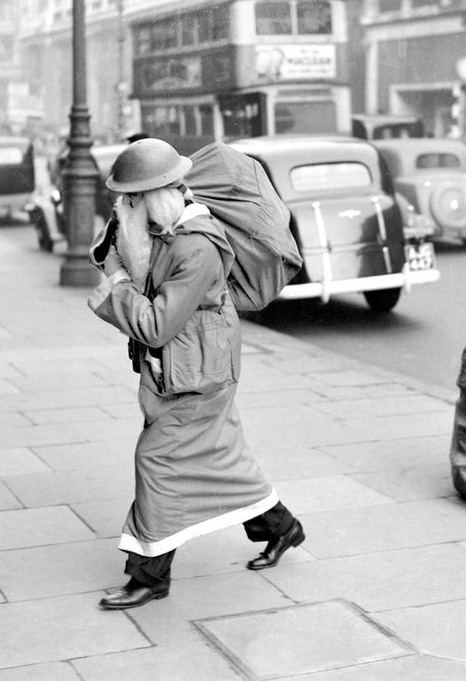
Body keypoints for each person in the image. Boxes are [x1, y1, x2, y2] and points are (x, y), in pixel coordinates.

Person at [87, 138, 304, 610]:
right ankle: (282, 528)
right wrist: (123, 243)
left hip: (198, 373)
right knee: (221, 457)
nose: (124, 207)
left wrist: (117, 289)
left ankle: (150, 576)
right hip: (193, 365)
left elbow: (157, 323)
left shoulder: (197, 246)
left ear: (155, 195)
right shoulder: (164, 231)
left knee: (157, 461)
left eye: (131, 199)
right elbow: (127, 265)